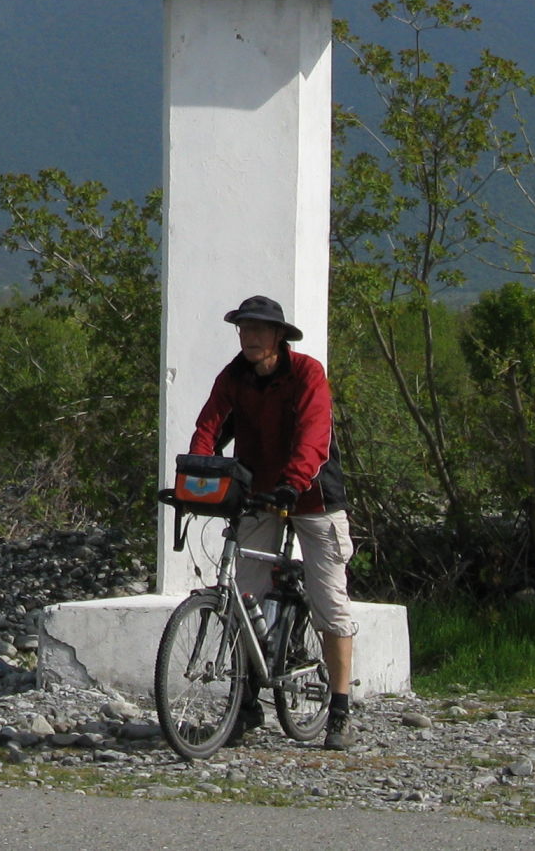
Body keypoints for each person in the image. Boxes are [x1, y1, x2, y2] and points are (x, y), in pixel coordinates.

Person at [187, 294, 359, 751]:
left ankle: (340, 710)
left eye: (259, 329)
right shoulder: (234, 376)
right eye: (244, 328)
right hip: (259, 493)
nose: (250, 336)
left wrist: (293, 482)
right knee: (244, 594)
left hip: (314, 496)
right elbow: (209, 427)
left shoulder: (306, 373)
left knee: (330, 602)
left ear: (279, 336)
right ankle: (245, 704)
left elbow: (314, 434)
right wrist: (198, 476)